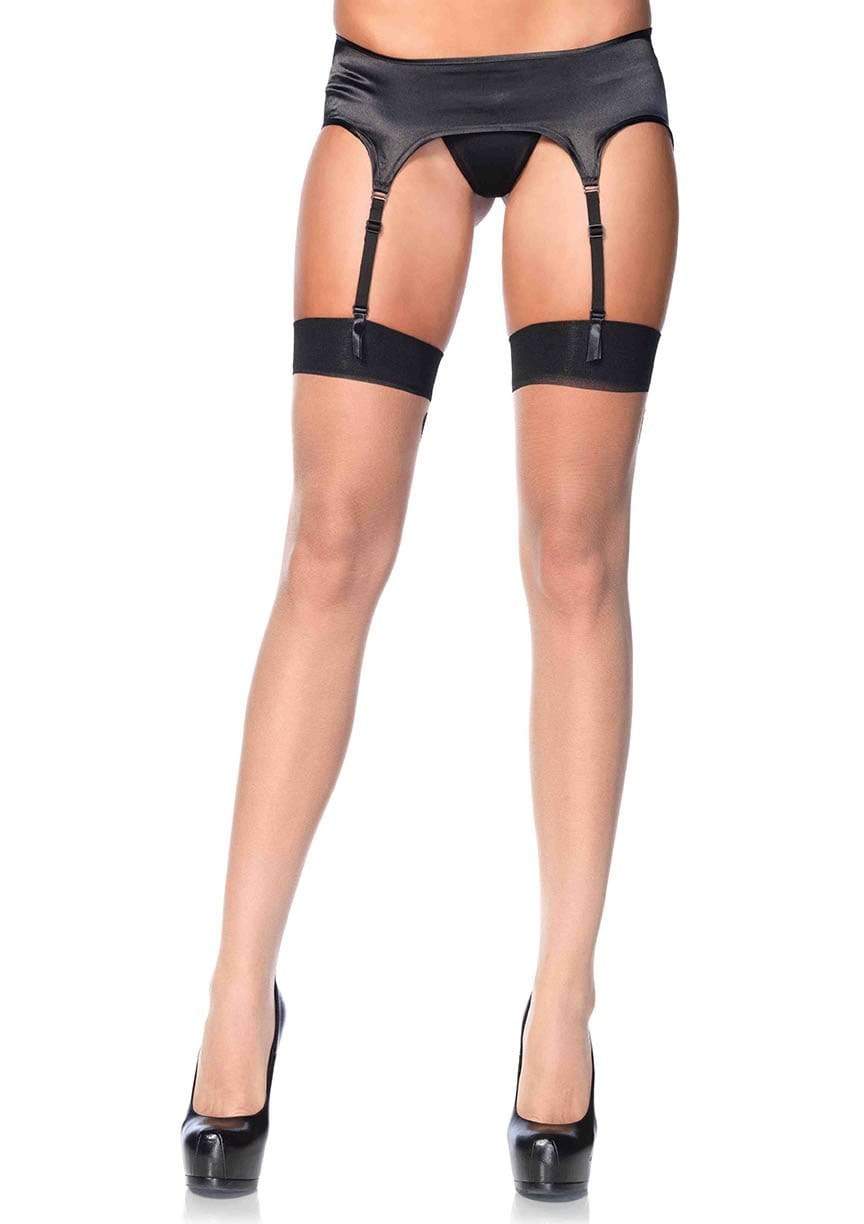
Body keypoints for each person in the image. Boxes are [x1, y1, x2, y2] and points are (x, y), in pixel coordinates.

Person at [182, 0, 678, 1200]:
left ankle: (563, 1004)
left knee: (575, 556)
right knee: (330, 546)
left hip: (591, 84)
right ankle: (237, 993)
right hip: (390, 89)